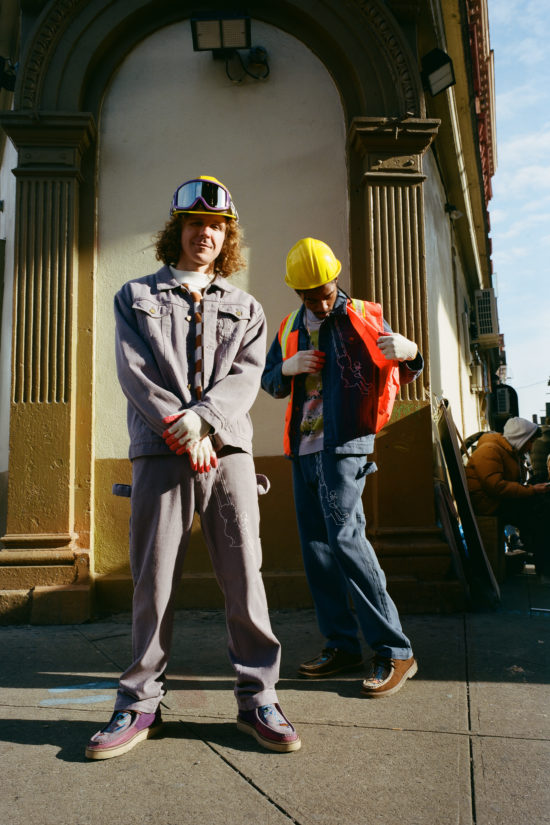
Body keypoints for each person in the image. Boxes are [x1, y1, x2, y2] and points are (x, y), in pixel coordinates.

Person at [85, 176, 300, 759]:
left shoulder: (245, 306)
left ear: (225, 237)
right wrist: (180, 430)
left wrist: (204, 422)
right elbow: (135, 373)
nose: (204, 234)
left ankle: (259, 697)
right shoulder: (135, 295)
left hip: (226, 452)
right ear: (176, 231)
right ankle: (138, 702)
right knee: (153, 581)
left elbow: (246, 377)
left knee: (244, 577)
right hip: (160, 452)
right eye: (194, 224)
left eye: (215, 227)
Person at [261, 237, 423, 698]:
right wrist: (287, 368)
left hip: (345, 445)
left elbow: (403, 364)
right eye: (310, 293)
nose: (320, 298)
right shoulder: (290, 325)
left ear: (335, 278)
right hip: (302, 449)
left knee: (346, 540)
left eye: (325, 288)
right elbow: (270, 383)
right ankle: (342, 645)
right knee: (317, 549)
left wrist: (412, 352)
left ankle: (395, 650)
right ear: (297, 292)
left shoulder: (366, 315)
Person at [466, 416, 550, 582]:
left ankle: (542, 564)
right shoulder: (490, 450)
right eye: (530, 441)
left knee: (543, 509)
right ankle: (544, 570)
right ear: (521, 438)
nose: (531, 446)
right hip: (489, 505)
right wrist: (532, 490)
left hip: (498, 502)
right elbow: (496, 486)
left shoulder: (510, 452)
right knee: (542, 516)